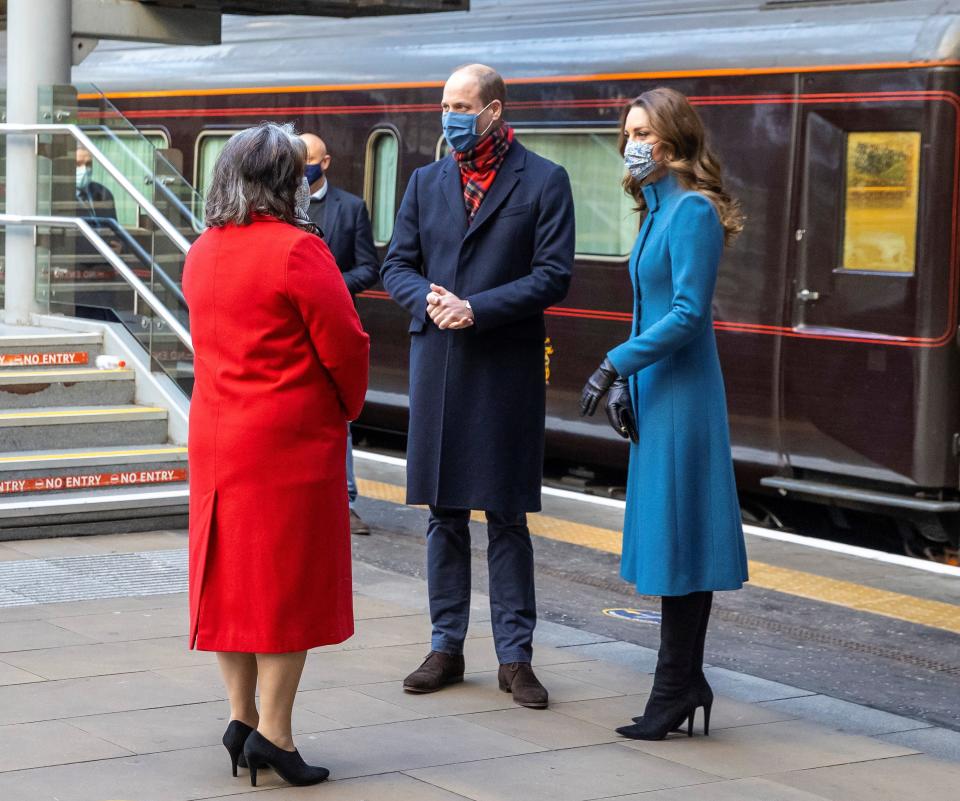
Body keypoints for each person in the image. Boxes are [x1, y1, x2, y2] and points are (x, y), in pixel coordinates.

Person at [380, 64, 575, 709]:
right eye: (444, 105)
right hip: (438, 362)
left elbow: (553, 276)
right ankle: (447, 646)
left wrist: (478, 308)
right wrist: (429, 301)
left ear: (493, 110)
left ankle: (515, 658)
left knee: (507, 515)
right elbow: (396, 265)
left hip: (503, 368)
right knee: (443, 515)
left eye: (461, 105)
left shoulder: (545, 179)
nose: (448, 116)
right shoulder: (425, 180)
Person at [183, 122, 369, 786]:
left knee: (229, 584)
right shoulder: (298, 250)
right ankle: (276, 734)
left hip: (215, 439)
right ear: (286, 181)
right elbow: (346, 344)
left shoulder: (201, 249)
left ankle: (239, 719)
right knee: (284, 591)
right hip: (286, 446)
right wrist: (345, 408)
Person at [579, 87, 749, 740]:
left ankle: (675, 686)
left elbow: (686, 312)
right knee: (670, 538)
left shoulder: (693, 213)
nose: (632, 143)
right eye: (627, 132)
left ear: (674, 139)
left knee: (683, 541)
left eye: (643, 131)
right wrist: (628, 382)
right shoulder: (653, 211)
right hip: (656, 390)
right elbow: (648, 304)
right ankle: (682, 682)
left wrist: (615, 363)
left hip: (684, 397)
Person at [298, 132, 380, 536]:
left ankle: (345, 500)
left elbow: (370, 267)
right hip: (293, 327)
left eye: (309, 160)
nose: (302, 169)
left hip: (333, 321)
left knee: (338, 416)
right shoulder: (279, 205)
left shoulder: (351, 208)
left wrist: (330, 285)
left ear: (325, 162)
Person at [75, 145, 117, 220]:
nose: (84, 169)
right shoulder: (58, 196)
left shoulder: (104, 193)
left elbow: (113, 228)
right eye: (78, 164)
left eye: (88, 164)